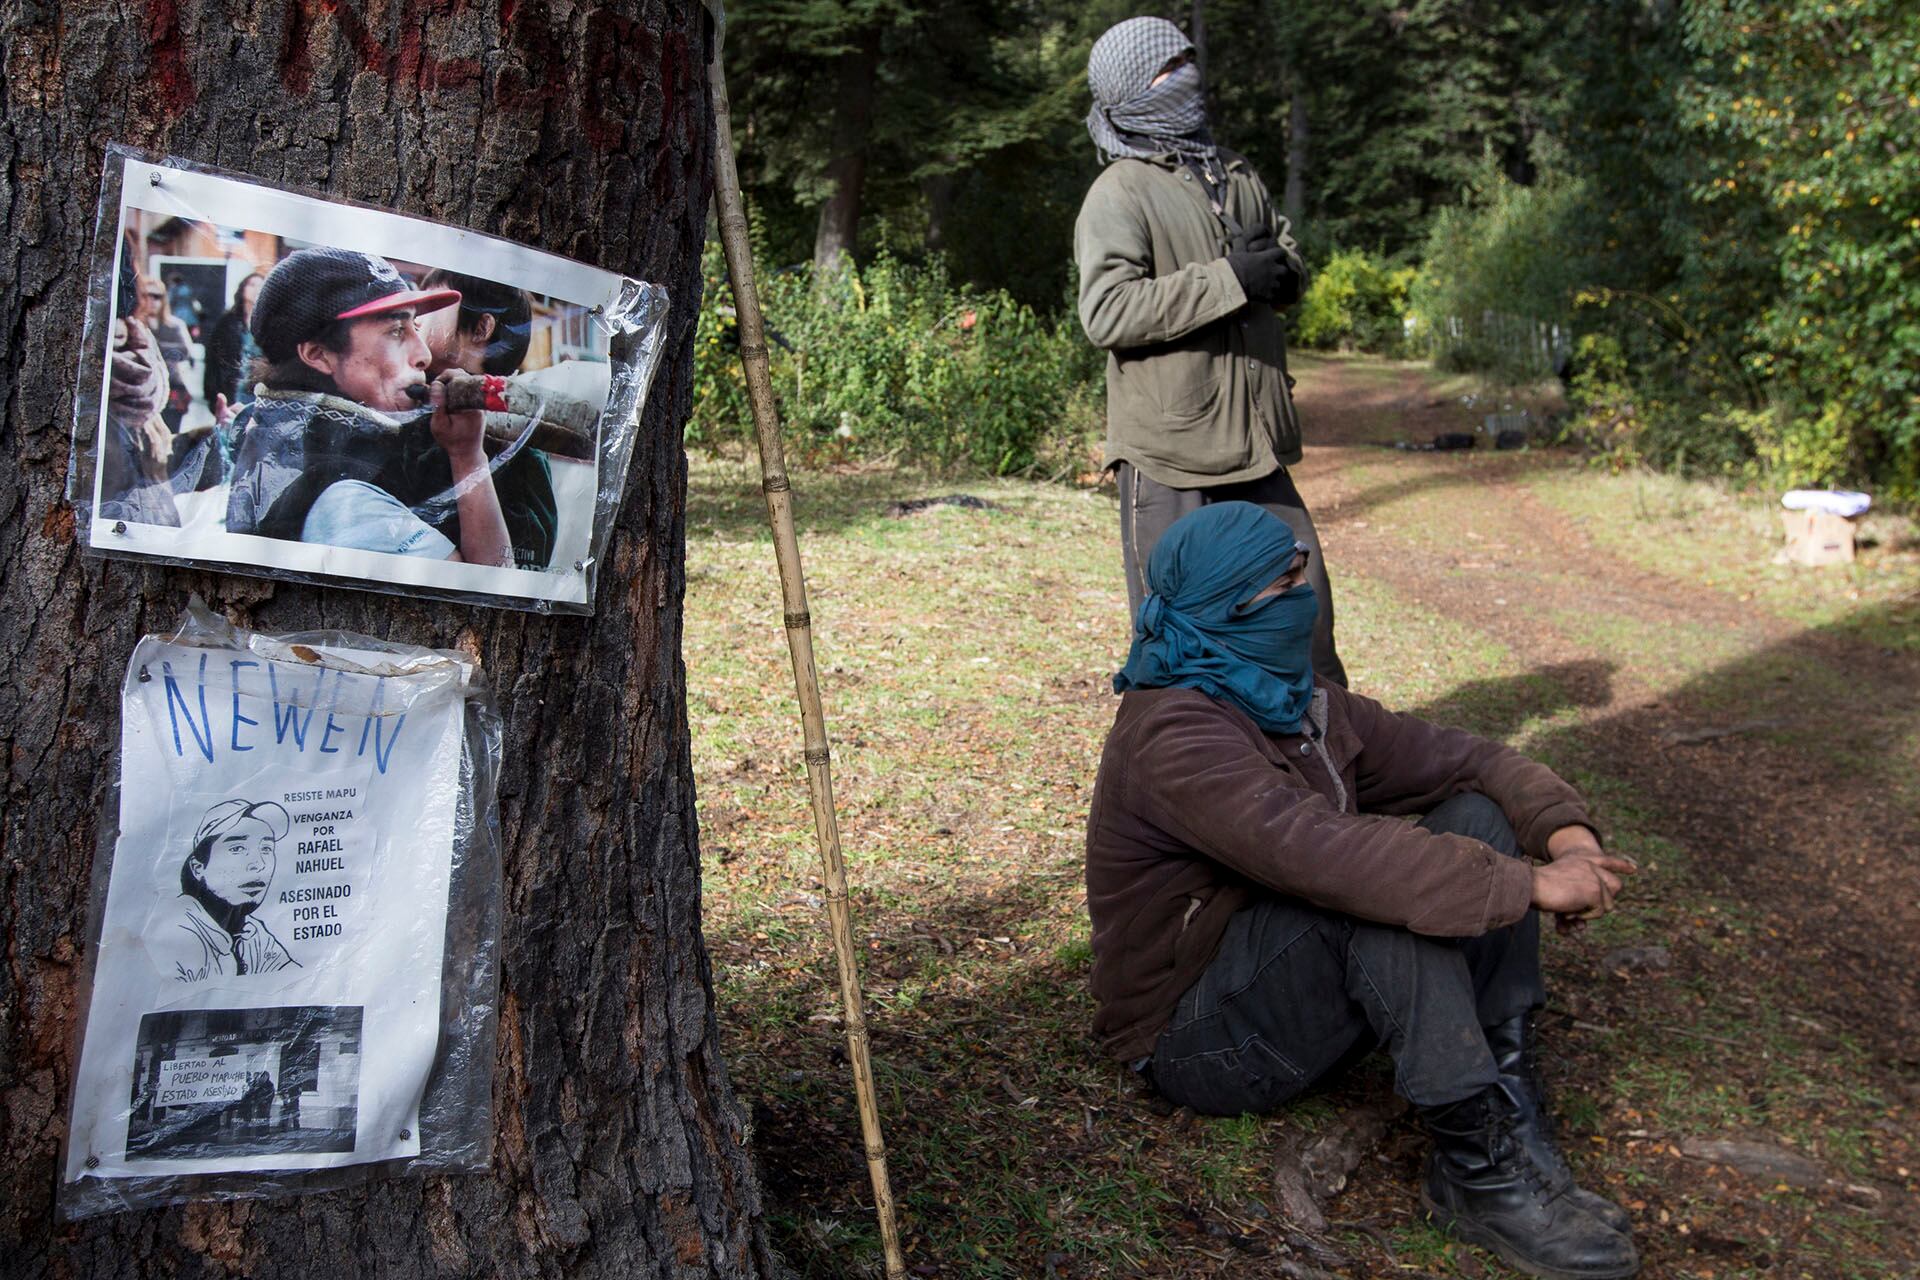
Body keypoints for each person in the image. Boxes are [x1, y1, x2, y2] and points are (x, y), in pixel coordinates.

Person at [1084, 502, 1642, 1279]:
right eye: (1285, 584)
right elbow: (1331, 858)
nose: (1305, 597)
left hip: (1276, 981)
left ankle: (1507, 1114)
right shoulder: (1176, 733)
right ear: (1228, 606)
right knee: (1379, 894)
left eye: (1302, 574)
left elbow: (1467, 759)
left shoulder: (1292, 697)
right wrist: (1531, 885)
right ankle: (1474, 1174)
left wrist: (1566, 838)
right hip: (1196, 1037)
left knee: (1477, 816)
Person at [1075, 16, 1346, 688]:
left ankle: (1329, 779)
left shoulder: (1232, 172)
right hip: (1170, 456)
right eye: (1169, 68)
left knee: (1305, 631)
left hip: (1256, 446)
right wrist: (1229, 280)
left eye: (1189, 62)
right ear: (1132, 89)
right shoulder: (1120, 191)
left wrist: (1284, 274)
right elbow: (1107, 312)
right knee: (1177, 650)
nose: (1187, 78)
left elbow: (1284, 252)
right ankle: (1173, 786)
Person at [223, 247, 515, 566]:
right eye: (395, 331)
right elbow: (489, 590)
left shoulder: (271, 431)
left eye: (414, 327)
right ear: (318, 354)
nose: (424, 356)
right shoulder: (344, 500)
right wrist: (468, 457)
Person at [413, 268, 559, 571]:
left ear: (481, 328)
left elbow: (526, 558)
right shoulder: (417, 404)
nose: (415, 318)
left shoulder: (518, 440)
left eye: (431, 306)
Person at [157, 799, 300, 982]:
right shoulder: (176, 936)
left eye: (266, 848)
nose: (259, 865)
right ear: (198, 867)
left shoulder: (250, 932)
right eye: (237, 848)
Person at [138, 274, 197, 431]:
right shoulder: (134, 324)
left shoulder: (175, 325)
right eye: (146, 295)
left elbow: (185, 351)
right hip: (142, 391)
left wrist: (155, 346)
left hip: (172, 388)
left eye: (156, 296)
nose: (151, 301)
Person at [202, 270, 266, 410]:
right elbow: (213, 361)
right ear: (242, 289)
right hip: (232, 390)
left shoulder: (270, 324)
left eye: (261, 285)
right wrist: (212, 394)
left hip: (259, 392)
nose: (256, 289)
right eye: (252, 285)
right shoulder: (227, 323)